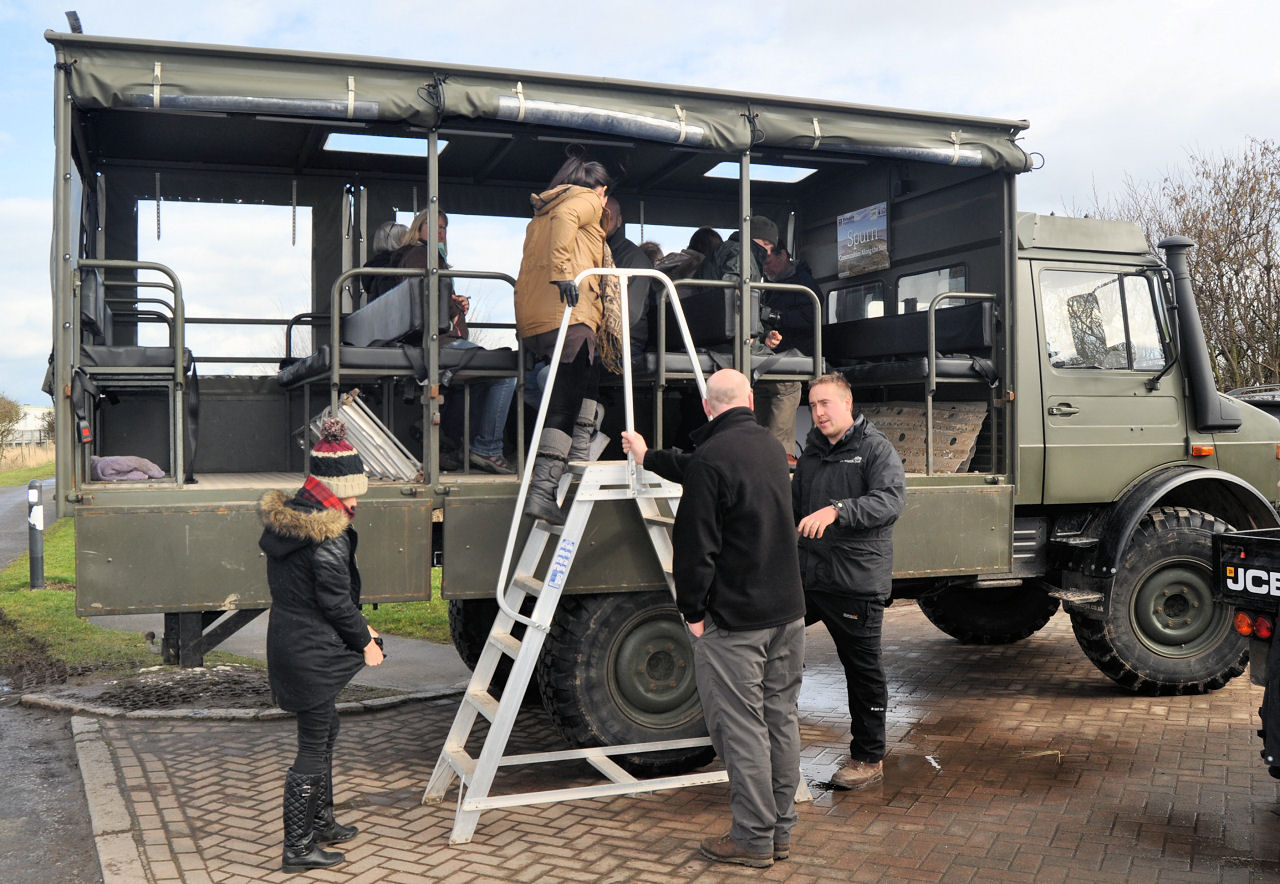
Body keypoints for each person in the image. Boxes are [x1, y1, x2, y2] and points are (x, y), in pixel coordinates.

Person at [620, 369, 805, 869]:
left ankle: (752, 838)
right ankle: (780, 831)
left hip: (737, 621)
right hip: (788, 614)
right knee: (780, 720)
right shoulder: (771, 448)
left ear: (706, 407)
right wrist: (649, 456)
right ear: (750, 400)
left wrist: (693, 612)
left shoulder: (711, 459)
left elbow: (694, 548)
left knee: (741, 731)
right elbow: (698, 466)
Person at [258, 417, 385, 872]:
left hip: (294, 641)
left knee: (327, 728)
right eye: (350, 494)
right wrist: (365, 642)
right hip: (311, 650)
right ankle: (298, 847)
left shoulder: (293, 524)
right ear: (330, 491)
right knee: (313, 746)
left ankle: (322, 822)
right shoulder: (327, 539)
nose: (355, 503)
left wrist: (362, 628)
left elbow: (319, 598)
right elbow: (335, 602)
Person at [792, 373, 906, 790]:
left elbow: (890, 501)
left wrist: (837, 510)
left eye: (825, 403)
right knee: (770, 640)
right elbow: (794, 509)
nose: (818, 412)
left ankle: (869, 759)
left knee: (862, 672)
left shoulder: (875, 449)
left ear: (847, 403)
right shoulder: (812, 452)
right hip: (810, 578)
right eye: (812, 405)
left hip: (854, 582)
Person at [514, 155, 614, 523]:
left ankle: (580, 452)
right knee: (564, 404)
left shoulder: (542, 212)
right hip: (570, 315)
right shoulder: (584, 200)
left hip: (538, 317)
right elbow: (569, 218)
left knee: (590, 376)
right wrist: (562, 273)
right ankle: (543, 489)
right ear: (601, 190)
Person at [394, 209, 516, 474]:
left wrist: (454, 302)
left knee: (482, 378)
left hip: (438, 339)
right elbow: (424, 297)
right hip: (438, 342)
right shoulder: (421, 255)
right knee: (506, 372)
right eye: (434, 226)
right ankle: (487, 448)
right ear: (418, 227)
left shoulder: (419, 256)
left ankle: (465, 444)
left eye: (444, 227)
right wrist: (452, 308)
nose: (440, 232)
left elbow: (432, 296)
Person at [604, 195, 658, 364]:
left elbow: (630, 315)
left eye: (608, 218)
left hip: (624, 343)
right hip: (592, 340)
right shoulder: (588, 253)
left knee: (544, 374)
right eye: (596, 217)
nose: (601, 223)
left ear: (619, 221)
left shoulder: (634, 259)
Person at [762, 244, 820, 358]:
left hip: (799, 353)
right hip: (775, 351)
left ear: (782, 255)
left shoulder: (805, 284)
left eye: (768, 263)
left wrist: (776, 317)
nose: (764, 269)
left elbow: (810, 317)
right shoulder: (770, 287)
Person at [361, 220, 408, 303]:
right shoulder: (393, 265)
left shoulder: (374, 266)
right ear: (394, 240)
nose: (410, 240)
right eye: (405, 236)